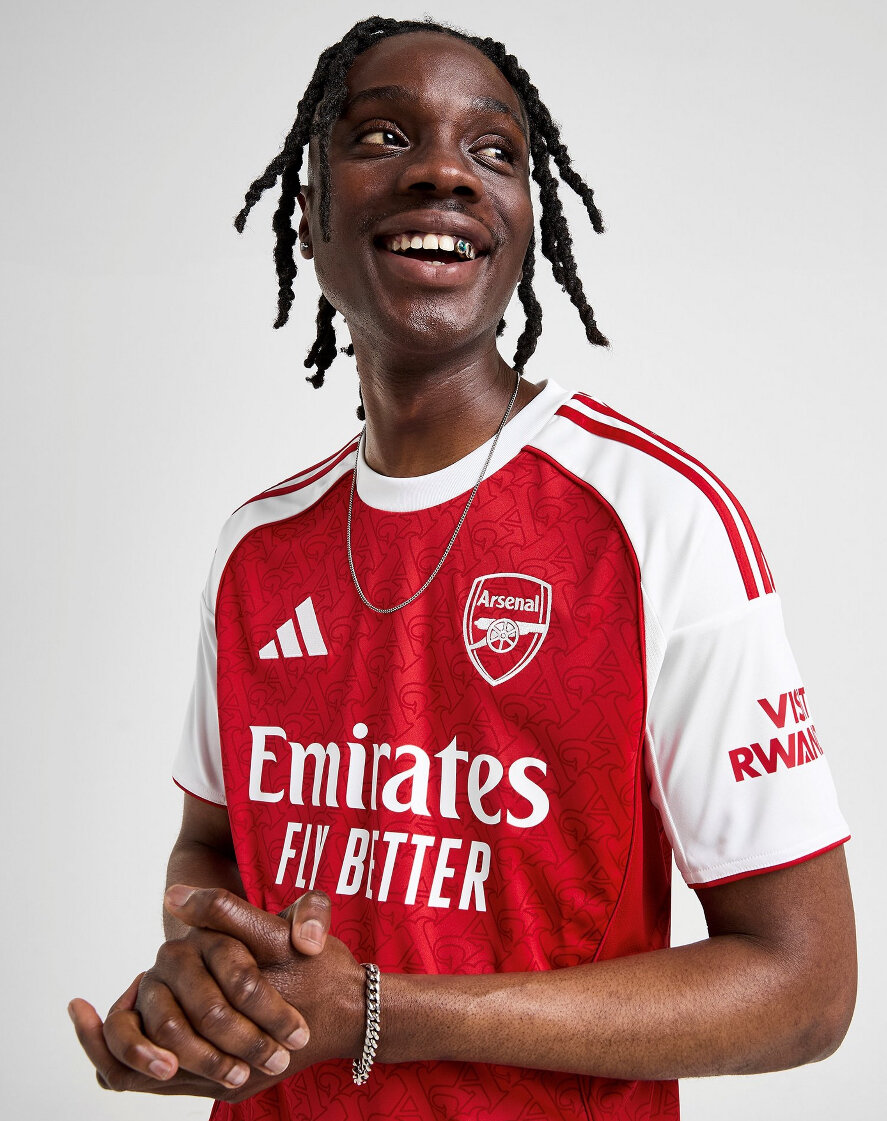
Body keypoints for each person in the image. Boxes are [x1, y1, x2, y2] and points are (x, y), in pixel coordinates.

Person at [68, 14, 857, 1120]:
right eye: (383, 136)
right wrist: (206, 979)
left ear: (524, 226)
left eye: (494, 151)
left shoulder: (656, 520)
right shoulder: (257, 546)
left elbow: (805, 987)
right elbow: (212, 847)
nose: (444, 171)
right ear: (311, 216)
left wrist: (383, 1010)